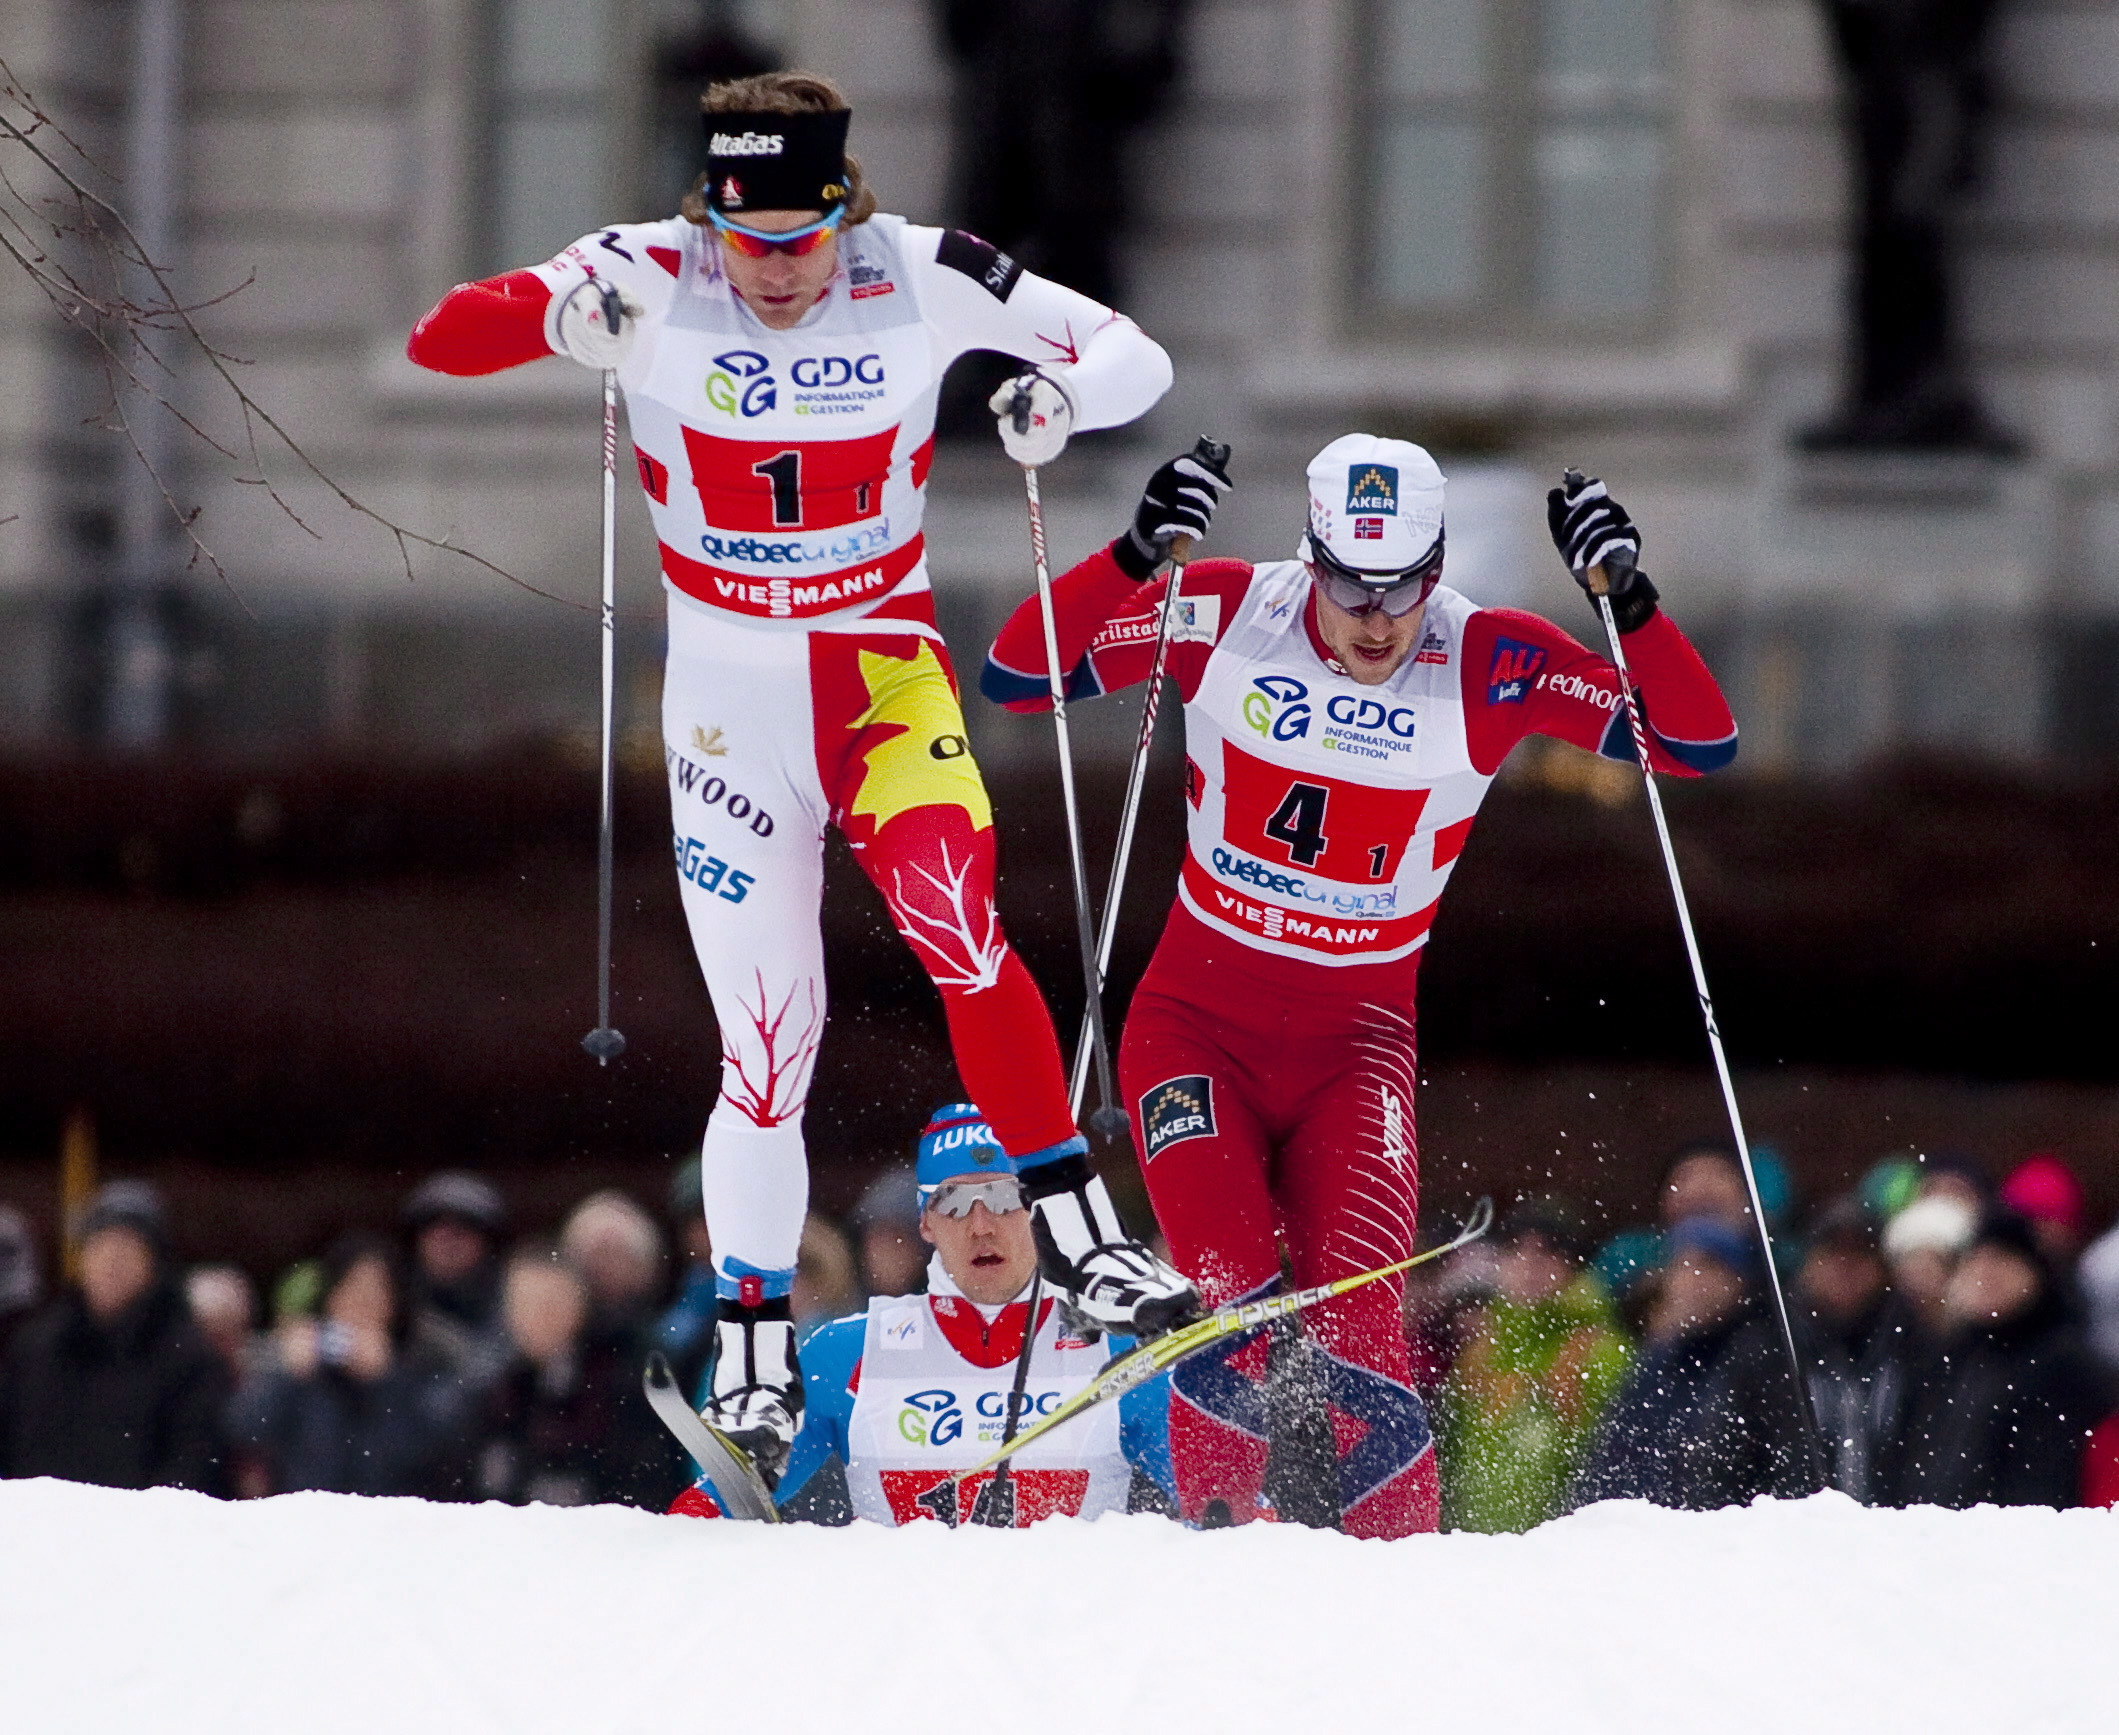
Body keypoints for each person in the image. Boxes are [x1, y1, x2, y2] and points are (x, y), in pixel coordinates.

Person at [407, 69, 1190, 1477]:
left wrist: (1046, 396)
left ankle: (1087, 1243)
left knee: (961, 925)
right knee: (769, 1046)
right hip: (725, 700)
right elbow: (438, 340)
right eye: (744, 237)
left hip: (880, 673)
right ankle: (754, 1344)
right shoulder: (651, 268)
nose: (772, 270)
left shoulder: (921, 269)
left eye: (799, 238)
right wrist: (558, 313)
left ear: (846, 209)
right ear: (709, 213)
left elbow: (1136, 359)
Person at [982, 440, 1737, 1535]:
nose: (1376, 619)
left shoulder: (1488, 656)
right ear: (1311, 557)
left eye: (1402, 588)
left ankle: (1405, 1593)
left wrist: (1628, 594)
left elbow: (1696, 739)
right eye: (1348, 585)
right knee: (1227, 1306)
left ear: (1434, 570)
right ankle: (1219, 1556)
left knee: (1360, 1329)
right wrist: (1136, 552)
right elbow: (1019, 671)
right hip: (1196, 1029)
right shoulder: (1231, 610)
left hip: (1357, 1044)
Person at [673, 1104, 1173, 1526]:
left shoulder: (1119, 1349)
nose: (982, 1226)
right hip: (910, 1636)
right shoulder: (846, 1351)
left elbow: (1221, 1510)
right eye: (953, 1203)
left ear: (1037, 1208)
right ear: (926, 1223)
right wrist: (662, 1541)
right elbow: (724, 1504)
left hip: (1057, 1634)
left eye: (1003, 1197)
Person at [0, 1181, 228, 1494]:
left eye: (128, 1247)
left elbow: (193, 1466)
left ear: (154, 1263)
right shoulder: (36, 1348)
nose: (112, 1261)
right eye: (101, 1245)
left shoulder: (190, 1359)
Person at [1572, 1218, 1810, 1511]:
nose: (1693, 1278)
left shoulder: (1760, 1361)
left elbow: (1782, 1473)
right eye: (1682, 1265)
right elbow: (1610, 1463)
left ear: (1739, 1282)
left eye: (1710, 1266)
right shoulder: (1656, 1362)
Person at [1890, 1212, 2112, 1509]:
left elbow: (2047, 1481)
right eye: (1977, 1260)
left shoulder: (2064, 1365)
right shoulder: (1949, 1359)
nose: (1986, 1274)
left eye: (2002, 1260)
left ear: (2034, 1272)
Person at [1436, 1200, 1630, 1533]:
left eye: (1548, 1251)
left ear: (1574, 1265)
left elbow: (1615, 1464)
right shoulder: (1481, 1349)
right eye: (1515, 1249)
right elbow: (1449, 1462)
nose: (1529, 1263)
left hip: (1558, 1557)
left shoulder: (1602, 1348)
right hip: (1473, 1554)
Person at [227, 1234, 469, 1498]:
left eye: (374, 1293)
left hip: (392, 1517)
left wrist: (386, 1381)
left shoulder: (428, 1359)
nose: (361, 1304)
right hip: (307, 1516)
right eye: (350, 1290)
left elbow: (435, 1452)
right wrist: (287, 1375)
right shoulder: (299, 1358)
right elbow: (243, 1432)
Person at [1789, 1196, 1915, 1504]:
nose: (1845, 1268)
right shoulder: (1774, 1349)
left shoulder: (1914, 1346)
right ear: (1808, 1265)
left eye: (1859, 1255)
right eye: (1832, 1254)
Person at [400, 1170, 512, 1397]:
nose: (448, 1243)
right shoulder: (394, 1301)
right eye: (435, 1230)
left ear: (488, 1243)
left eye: (463, 1230)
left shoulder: (511, 1307)